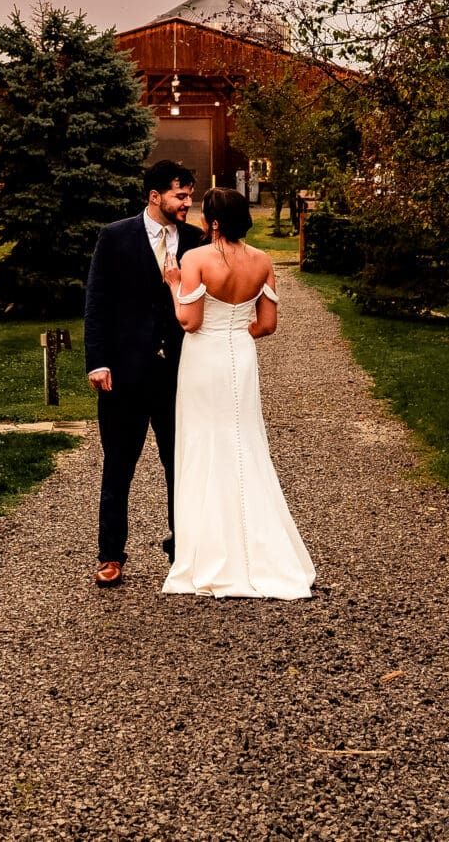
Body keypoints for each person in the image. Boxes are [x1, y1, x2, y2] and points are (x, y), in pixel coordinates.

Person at [160, 186, 316, 599]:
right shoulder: (263, 261)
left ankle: (208, 550)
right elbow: (266, 326)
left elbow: (189, 322)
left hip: (203, 358)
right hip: (241, 356)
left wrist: (175, 284)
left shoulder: (194, 260)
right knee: (244, 441)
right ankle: (262, 548)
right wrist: (236, 332)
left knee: (203, 443)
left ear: (212, 222)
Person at [83, 159, 205, 588]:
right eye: (181, 195)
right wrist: (97, 361)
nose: (188, 202)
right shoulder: (115, 237)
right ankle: (111, 554)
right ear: (155, 197)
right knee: (118, 465)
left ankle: (182, 550)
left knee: (180, 465)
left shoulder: (195, 241)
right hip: (123, 375)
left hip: (177, 376)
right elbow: (97, 302)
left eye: (189, 194)